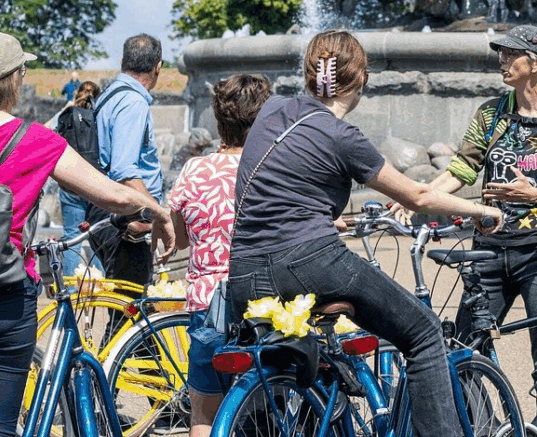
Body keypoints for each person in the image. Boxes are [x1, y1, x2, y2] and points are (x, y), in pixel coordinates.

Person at [226, 30, 503, 437]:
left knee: (294, 356)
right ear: (360, 81)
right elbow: (420, 194)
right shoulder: (344, 137)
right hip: (310, 262)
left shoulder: (272, 110)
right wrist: (481, 208)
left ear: (308, 74)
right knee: (424, 333)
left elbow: (282, 181)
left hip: (244, 270)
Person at [0, 31, 174, 437]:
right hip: (6, 296)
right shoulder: (35, 140)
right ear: (14, 79)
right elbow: (109, 193)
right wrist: (156, 209)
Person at [426, 24, 537, 437]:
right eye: (500, 53)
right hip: (487, 251)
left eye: (511, 54)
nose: (502, 60)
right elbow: (462, 168)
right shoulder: (490, 112)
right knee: (463, 353)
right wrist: (417, 196)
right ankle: (488, 428)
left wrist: (533, 194)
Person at [169, 73, 272, 437]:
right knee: (263, 414)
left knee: (204, 415)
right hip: (262, 303)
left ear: (218, 119)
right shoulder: (270, 169)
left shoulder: (194, 169)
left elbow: (181, 239)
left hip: (206, 305)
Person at [89, 34, 165, 287]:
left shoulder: (111, 94)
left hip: (105, 210)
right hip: (126, 218)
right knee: (130, 310)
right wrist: (157, 214)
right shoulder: (133, 102)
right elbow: (124, 170)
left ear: (123, 61)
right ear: (158, 67)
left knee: (121, 311)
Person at [52, 80, 103, 276]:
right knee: (99, 236)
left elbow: (46, 131)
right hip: (96, 183)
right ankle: (101, 285)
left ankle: (70, 291)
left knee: (72, 237)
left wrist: (66, 107)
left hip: (70, 182)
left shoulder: (65, 114)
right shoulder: (100, 115)